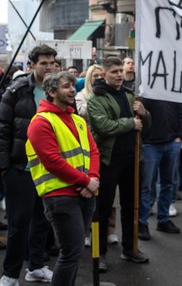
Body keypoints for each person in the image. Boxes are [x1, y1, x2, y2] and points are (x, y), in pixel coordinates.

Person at [25, 71, 100, 286]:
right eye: (66, 86)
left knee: (73, 253)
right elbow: (52, 161)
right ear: (51, 92)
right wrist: (86, 182)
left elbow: (93, 151)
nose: (72, 90)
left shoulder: (77, 119)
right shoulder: (40, 122)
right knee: (71, 252)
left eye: (72, 86)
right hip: (60, 196)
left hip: (84, 192)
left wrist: (92, 178)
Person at [87, 56, 151, 271]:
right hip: (108, 159)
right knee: (103, 208)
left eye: (120, 71)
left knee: (131, 205)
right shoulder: (96, 98)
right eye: (113, 71)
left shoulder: (129, 94)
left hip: (131, 158)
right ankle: (100, 253)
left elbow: (143, 124)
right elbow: (103, 126)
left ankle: (130, 248)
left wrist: (144, 113)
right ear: (104, 75)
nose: (118, 74)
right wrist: (130, 123)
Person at [0, 45, 57, 285]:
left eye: (52, 63)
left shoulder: (57, 90)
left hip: (48, 168)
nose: (49, 67)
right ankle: (10, 274)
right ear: (31, 64)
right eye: (44, 63)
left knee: (43, 220)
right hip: (19, 168)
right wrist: (4, 168)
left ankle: (36, 267)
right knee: (18, 223)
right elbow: (2, 131)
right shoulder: (16, 91)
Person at [137, 98, 182, 240]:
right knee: (146, 186)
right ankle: (142, 223)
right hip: (150, 144)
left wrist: (179, 136)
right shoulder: (145, 91)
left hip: (171, 142)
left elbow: (179, 113)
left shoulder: (169, 91)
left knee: (168, 183)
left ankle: (163, 219)